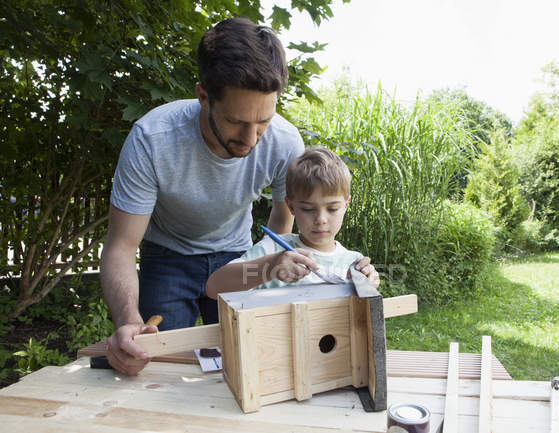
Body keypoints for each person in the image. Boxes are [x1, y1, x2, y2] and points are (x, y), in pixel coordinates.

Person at [100, 18, 378, 376]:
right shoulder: (152, 139)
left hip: (238, 252)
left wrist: (270, 262)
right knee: (159, 364)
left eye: (263, 120)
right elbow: (121, 247)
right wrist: (128, 322)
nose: (251, 138)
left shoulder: (285, 141)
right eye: (236, 122)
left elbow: (284, 221)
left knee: (246, 360)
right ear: (203, 97)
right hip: (168, 257)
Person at [205, 148, 380, 295]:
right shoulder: (273, 249)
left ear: (346, 205)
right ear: (291, 206)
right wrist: (270, 266)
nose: (320, 220)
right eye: (308, 209)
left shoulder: (353, 263)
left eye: (332, 208)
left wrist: (366, 286)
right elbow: (214, 287)